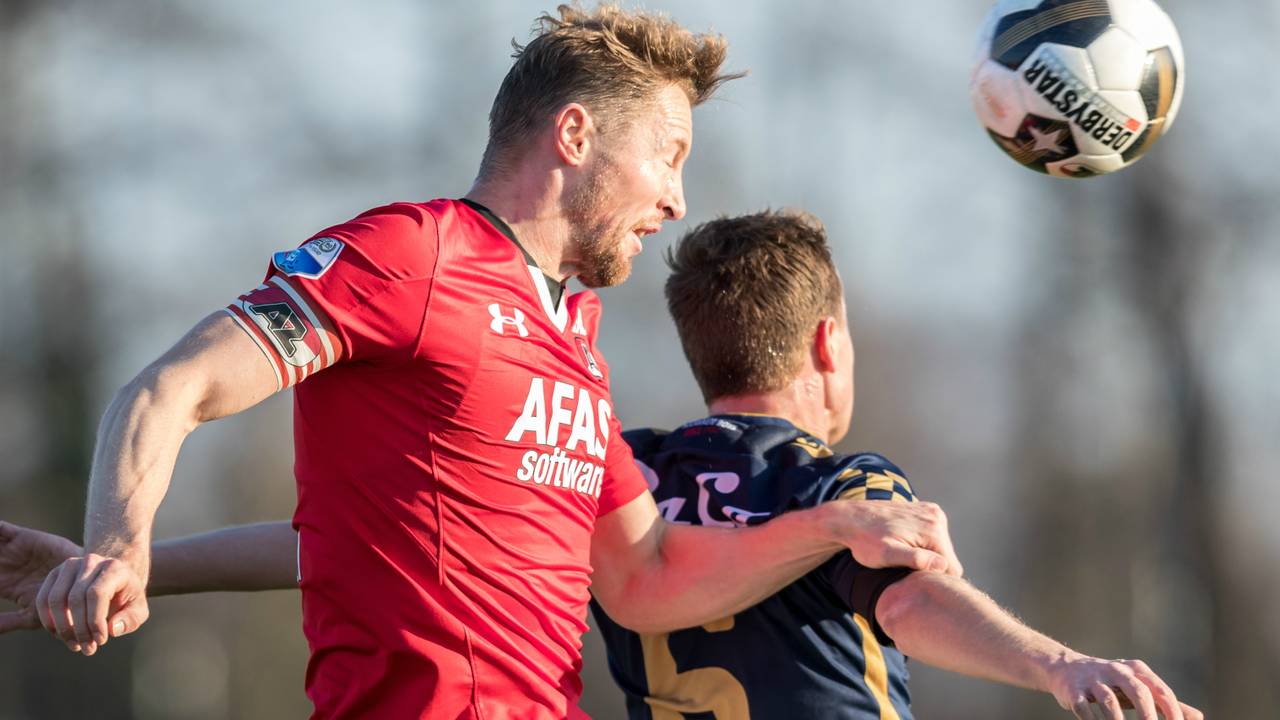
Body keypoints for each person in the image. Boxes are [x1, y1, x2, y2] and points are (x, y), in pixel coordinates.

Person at [19, 6, 960, 719]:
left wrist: (834, 526)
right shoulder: (412, 255)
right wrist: (114, 552)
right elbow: (170, 387)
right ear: (576, 135)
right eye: (668, 155)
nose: (678, 198)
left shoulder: (575, 340)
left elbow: (646, 575)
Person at [1, 211, 1203, 720]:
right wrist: (1056, 665)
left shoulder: (601, 466)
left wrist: (145, 562)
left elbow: (355, 552)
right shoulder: (837, 490)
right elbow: (909, 601)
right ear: (827, 345)